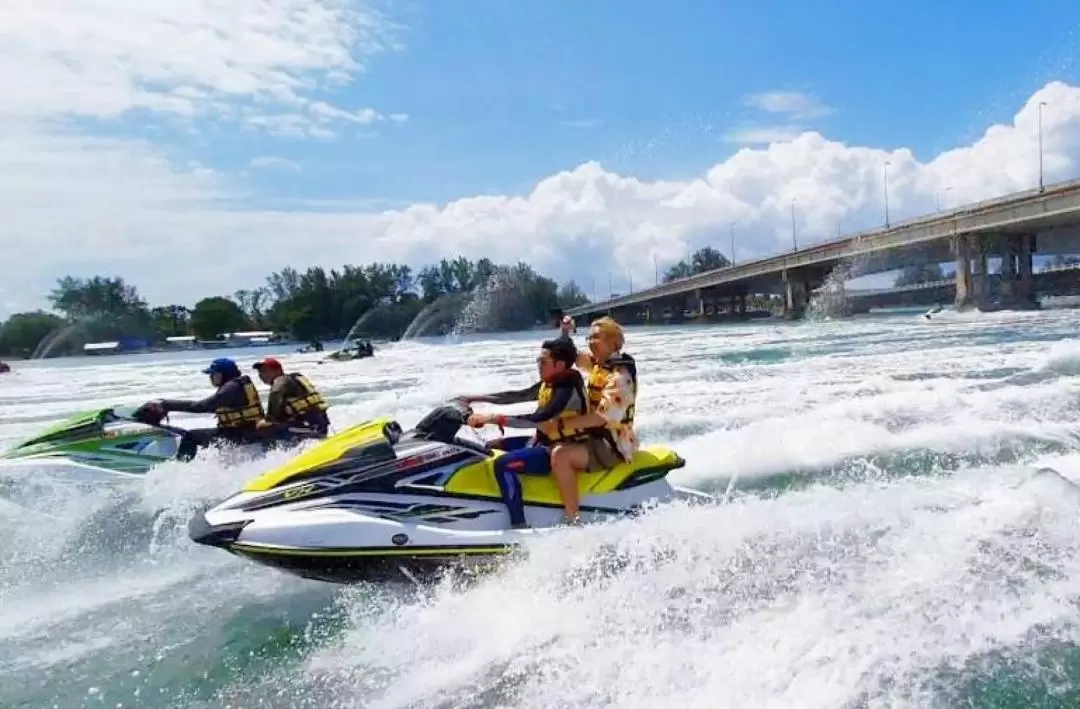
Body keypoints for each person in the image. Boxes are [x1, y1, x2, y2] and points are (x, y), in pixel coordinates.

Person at [457, 337, 589, 528]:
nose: (539, 366)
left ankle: (518, 523)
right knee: (490, 446)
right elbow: (519, 395)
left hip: (558, 450)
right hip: (543, 442)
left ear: (559, 365)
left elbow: (540, 417)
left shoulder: (567, 389)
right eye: (538, 361)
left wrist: (494, 418)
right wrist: (473, 399)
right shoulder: (552, 381)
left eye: (543, 362)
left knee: (503, 464)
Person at [544, 316, 639, 524]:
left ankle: (573, 519)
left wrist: (560, 426)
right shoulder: (600, 365)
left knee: (561, 455)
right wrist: (565, 332)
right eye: (589, 337)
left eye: (596, 337)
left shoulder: (619, 377)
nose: (590, 342)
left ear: (613, 342)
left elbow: (599, 418)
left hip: (612, 445)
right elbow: (573, 356)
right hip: (595, 437)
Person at [135, 357, 266, 459]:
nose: (210, 377)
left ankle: (181, 468)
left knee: (191, 436)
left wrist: (167, 404)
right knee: (190, 434)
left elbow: (202, 406)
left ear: (223, 374)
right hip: (245, 431)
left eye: (213, 374)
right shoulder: (234, 386)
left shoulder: (231, 389)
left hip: (242, 433)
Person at [251, 357, 332, 438]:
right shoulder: (294, 379)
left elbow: (275, 392)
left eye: (265, 371)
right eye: (260, 372)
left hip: (310, 427)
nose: (261, 375)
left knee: (262, 427)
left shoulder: (280, 380)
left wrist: (269, 419)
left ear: (278, 370)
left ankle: (274, 449)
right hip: (322, 424)